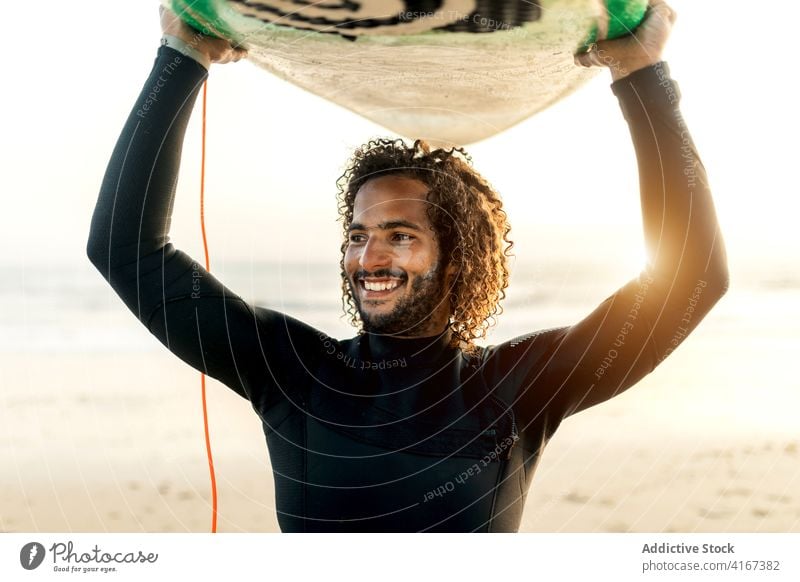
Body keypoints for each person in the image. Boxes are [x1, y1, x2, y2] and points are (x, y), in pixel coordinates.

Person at [87, 0, 728, 532]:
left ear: (457, 260)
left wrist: (643, 75)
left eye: (400, 235)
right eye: (358, 235)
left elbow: (694, 276)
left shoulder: (518, 389)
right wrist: (179, 59)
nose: (370, 257)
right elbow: (124, 250)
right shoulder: (290, 371)